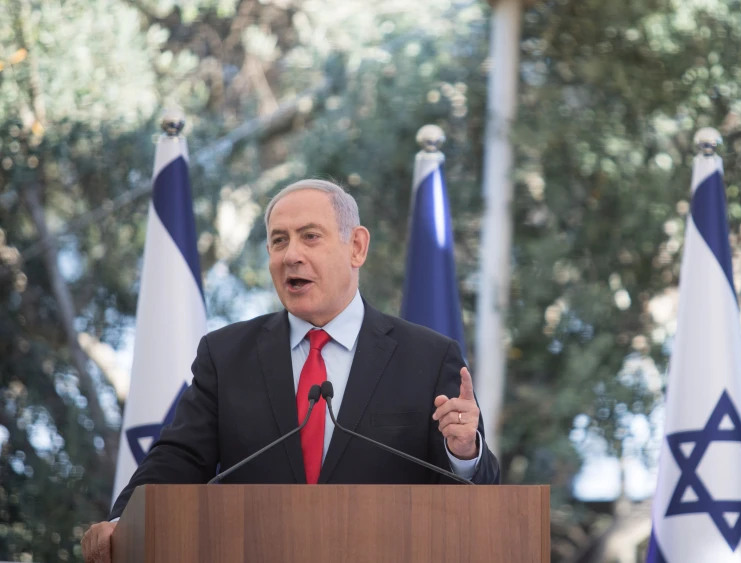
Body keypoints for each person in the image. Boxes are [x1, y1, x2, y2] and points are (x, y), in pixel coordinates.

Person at [81, 179, 500, 563]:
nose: (291, 255)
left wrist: (463, 453)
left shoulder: (428, 357)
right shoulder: (226, 355)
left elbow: (474, 507)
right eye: (278, 241)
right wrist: (123, 525)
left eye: (310, 237)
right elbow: (179, 458)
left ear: (356, 247)